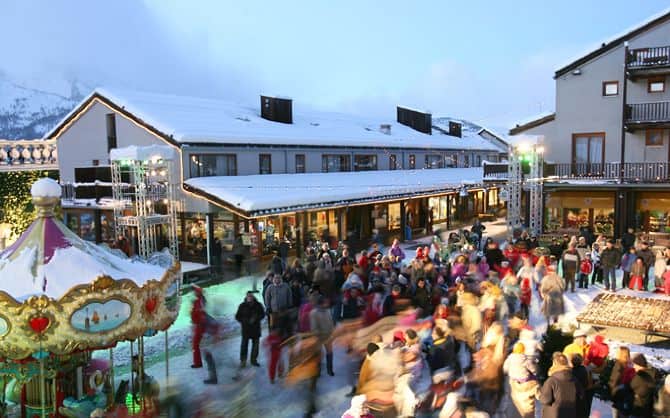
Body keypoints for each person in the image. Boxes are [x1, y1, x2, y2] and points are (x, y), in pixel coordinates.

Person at [538, 352, 581, 418]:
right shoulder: (575, 380)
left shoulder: (551, 380)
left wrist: (539, 395)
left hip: (553, 415)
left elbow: (545, 400)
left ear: (554, 364)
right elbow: (581, 399)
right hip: (570, 414)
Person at [503, 342, 538, 418]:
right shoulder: (525, 359)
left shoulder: (509, 359)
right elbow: (533, 369)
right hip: (525, 380)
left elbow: (505, 369)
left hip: (513, 381)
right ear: (523, 350)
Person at [235, 291, 265, 368]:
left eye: (251, 296)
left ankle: (253, 360)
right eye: (248, 296)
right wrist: (244, 321)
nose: (250, 297)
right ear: (246, 297)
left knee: (255, 346)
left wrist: (256, 318)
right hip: (246, 329)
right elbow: (237, 316)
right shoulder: (242, 305)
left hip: (256, 329)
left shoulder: (258, 305)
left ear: (253, 296)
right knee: (244, 346)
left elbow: (262, 314)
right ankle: (243, 361)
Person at [310, 296, 335, 377]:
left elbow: (331, 322)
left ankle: (330, 370)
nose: (327, 304)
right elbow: (314, 327)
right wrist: (318, 334)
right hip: (319, 337)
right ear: (321, 303)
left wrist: (332, 332)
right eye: (325, 302)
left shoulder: (327, 311)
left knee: (330, 353)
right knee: (318, 354)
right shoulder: (314, 313)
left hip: (328, 336)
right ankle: (317, 371)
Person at [609, 346, 635, 418]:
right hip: (627, 394)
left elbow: (614, 379)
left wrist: (612, 391)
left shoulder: (618, 364)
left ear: (621, 354)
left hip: (618, 393)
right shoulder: (631, 364)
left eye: (618, 352)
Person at [629, 353, 656, 418]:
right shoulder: (638, 374)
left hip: (641, 412)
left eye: (633, 364)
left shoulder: (647, 375)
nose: (632, 366)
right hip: (636, 410)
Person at [190, 285, 208, 369]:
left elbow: (201, 313)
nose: (194, 293)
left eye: (195, 291)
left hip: (200, 325)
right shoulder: (197, 301)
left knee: (195, 344)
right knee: (195, 344)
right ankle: (197, 362)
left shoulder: (201, 301)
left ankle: (198, 363)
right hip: (198, 324)